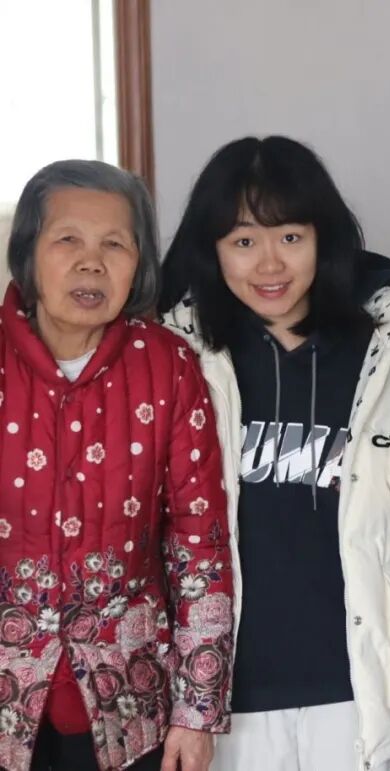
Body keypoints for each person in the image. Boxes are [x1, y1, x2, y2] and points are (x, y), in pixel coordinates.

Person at [157, 136, 390, 771]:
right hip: (223, 697)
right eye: (244, 241)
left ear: (324, 238)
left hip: (361, 690)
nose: (270, 263)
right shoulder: (177, 356)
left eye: (290, 237)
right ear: (212, 249)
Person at [0, 160, 233, 771]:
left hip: (128, 708)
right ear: (28, 254)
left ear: (139, 264)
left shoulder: (168, 367)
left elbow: (199, 547)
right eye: (67, 239)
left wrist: (197, 711)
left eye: (114, 244)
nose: (91, 262)